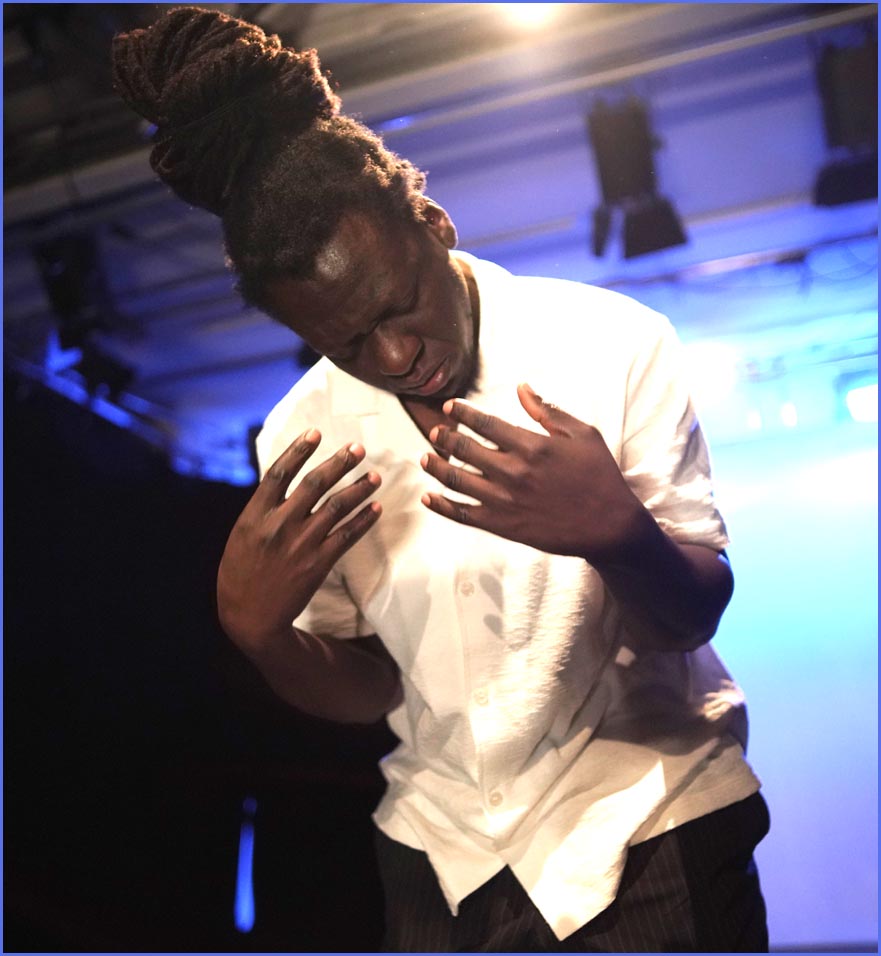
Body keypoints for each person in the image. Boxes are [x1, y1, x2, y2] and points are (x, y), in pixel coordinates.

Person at [112, 7, 770, 952]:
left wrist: (618, 536)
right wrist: (262, 640)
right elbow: (372, 692)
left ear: (431, 222)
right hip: (441, 853)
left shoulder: (608, 342)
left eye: (401, 306)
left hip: (644, 820)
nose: (395, 356)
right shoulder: (302, 433)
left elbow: (687, 619)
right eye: (347, 343)